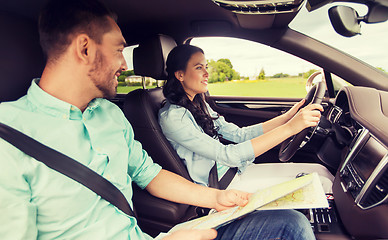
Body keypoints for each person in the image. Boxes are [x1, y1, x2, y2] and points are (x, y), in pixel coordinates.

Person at [0, 0, 315, 240]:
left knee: (291, 223)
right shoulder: (9, 137)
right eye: (120, 49)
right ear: (85, 48)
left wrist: (216, 197)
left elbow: (148, 173)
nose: (125, 64)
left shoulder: (109, 114)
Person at [159, 44, 333, 193]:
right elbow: (227, 155)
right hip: (224, 186)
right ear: (180, 75)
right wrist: (290, 128)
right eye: (199, 68)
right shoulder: (174, 118)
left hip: (238, 171)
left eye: (206, 66)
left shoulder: (198, 104)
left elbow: (238, 134)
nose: (206, 73)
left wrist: (287, 118)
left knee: (321, 171)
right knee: (322, 183)